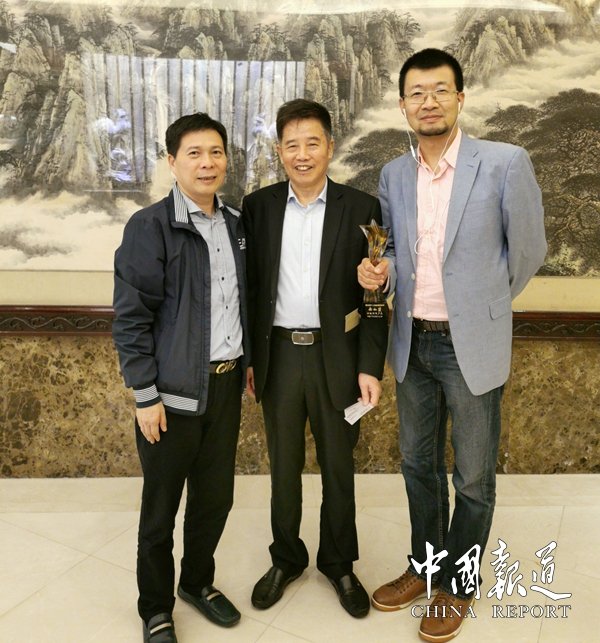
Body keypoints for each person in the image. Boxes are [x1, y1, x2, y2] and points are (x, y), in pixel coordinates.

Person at [358, 48, 546, 642]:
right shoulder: (394, 174)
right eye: (417, 93)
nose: (429, 101)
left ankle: (458, 586)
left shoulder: (504, 162)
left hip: (471, 346)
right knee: (417, 465)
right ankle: (425, 568)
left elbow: (528, 250)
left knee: (472, 476)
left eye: (440, 90)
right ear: (403, 105)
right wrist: (380, 271)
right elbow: (391, 250)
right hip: (412, 341)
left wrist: (482, 304)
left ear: (460, 98)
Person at [243, 98, 388, 618]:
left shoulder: (361, 207)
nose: (302, 154)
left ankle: (339, 563)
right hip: (279, 357)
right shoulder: (258, 207)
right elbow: (249, 290)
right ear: (279, 151)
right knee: (283, 469)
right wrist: (250, 359)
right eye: (291, 145)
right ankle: (286, 559)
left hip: (339, 359)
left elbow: (374, 295)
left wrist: (370, 365)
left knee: (339, 468)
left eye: (312, 143)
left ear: (330, 146)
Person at [112, 113, 249, 643]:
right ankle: (155, 608)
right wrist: (145, 395)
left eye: (215, 152)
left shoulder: (237, 225)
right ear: (172, 162)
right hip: (169, 397)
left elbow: (244, 303)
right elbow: (131, 318)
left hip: (225, 388)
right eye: (194, 153)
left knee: (215, 500)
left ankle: (196, 583)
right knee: (161, 508)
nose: (206, 163)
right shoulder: (149, 227)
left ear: (226, 160)